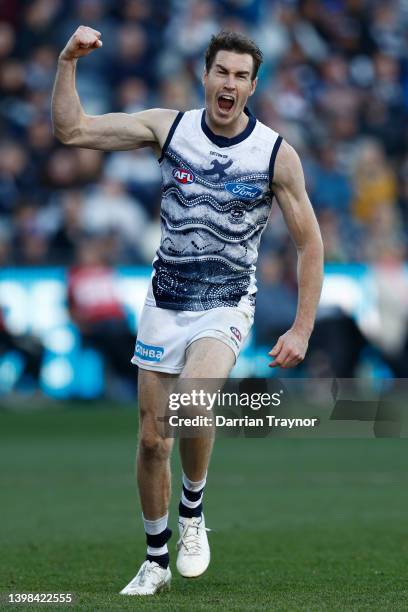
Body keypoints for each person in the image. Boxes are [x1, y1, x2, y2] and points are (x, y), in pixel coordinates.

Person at [52, 26, 324, 596]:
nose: (229, 83)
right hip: (164, 299)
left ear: (253, 86)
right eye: (221, 72)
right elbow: (71, 129)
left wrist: (302, 327)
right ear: (205, 76)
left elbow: (310, 243)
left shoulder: (275, 155)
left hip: (225, 302)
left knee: (193, 405)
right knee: (153, 438)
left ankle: (193, 513)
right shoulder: (168, 128)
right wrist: (67, 61)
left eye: (241, 76)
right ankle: (155, 560)